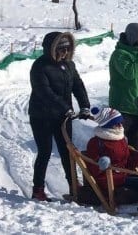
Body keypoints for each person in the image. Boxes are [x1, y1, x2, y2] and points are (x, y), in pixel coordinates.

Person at [29, 31, 91, 202]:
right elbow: (44, 92)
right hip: (41, 116)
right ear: (51, 49)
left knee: (67, 151)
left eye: (67, 49)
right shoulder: (40, 66)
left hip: (62, 117)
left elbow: (78, 85)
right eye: (61, 49)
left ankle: (74, 186)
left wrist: (85, 106)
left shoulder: (69, 65)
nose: (64, 53)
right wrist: (66, 108)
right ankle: (38, 190)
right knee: (45, 151)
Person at [84, 107, 138, 204]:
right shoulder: (96, 142)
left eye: (121, 122)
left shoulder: (120, 140)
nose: (121, 125)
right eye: (117, 123)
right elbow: (93, 167)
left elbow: (129, 164)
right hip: (108, 179)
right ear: (108, 125)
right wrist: (101, 163)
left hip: (123, 175)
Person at [108, 23, 138, 150]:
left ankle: (131, 169)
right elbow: (130, 74)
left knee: (136, 144)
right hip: (123, 108)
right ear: (133, 36)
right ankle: (115, 169)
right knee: (118, 145)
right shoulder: (120, 54)